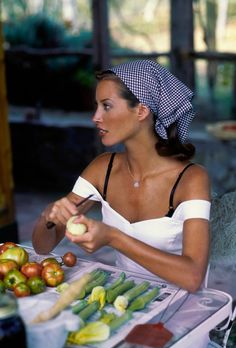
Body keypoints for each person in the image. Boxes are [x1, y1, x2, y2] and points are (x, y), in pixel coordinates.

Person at [32, 59, 211, 293]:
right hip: (124, 299)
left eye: (106, 106)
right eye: (96, 106)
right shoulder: (102, 169)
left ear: (141, 110)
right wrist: (49, 215)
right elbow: (42, 246)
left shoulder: (191, 179)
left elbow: (193, 276)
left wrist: (113, 238)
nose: (95, 117)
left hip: (181, 307)